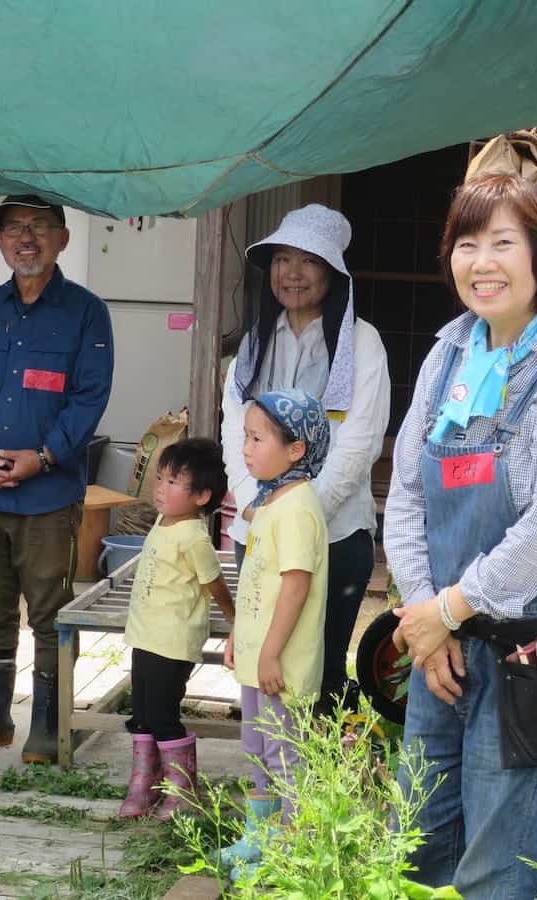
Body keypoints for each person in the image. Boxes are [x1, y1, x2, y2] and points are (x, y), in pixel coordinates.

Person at [384, 173, 537, 897]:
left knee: (504, 864)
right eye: (466, 243)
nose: (481, 261)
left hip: (530, 650)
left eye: (503, 242)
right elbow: (404, 494)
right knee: (418, 846)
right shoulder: (446, 356)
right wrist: (428, 616)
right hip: (443, 647)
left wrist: (447, 610)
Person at [0, 194, 114, 764]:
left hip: (47, 493)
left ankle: (49, 722)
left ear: (63, 237)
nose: (27, 238)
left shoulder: (87, 312)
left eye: (40, 227)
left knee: (50, 612)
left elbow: (89, 398)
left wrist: (42, 457)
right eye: (14, 228)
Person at [221, 204, 389, 718]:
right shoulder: (255, 342)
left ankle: (317, 790)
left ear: (333, 273)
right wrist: (255, 505)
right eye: (282, 259)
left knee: (322, 668)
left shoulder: (361, 342)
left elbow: (361, 441)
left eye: (307, 261)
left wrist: (300, 513)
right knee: (261, 660)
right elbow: (233, 428)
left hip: (336, 535)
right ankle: (269, 780)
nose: (291, 273)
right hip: (257, 533)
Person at [220, 388, 330, 875]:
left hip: (280, 663)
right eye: (246, 436)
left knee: (286, 756)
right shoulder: (271, 502)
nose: (246, 448)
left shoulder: (298, 507)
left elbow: (294, 587)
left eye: (257, 438)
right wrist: (239, 639)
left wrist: (268, 654)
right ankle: (258, 836)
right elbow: (256, 584)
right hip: (260, 657)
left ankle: (289, 851)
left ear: (296, 450)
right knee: (259, 750)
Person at [118, 438, 235, 820]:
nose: (160, 487)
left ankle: (182, 792)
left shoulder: (194, 535)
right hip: (145, 635)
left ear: (202, 495)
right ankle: (145, 784)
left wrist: (235, 621)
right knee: (142, 712)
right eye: (161, 478)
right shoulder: (163, 520)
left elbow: (214, 581)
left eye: (173, 482)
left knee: (164, 713)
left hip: (173, 641)